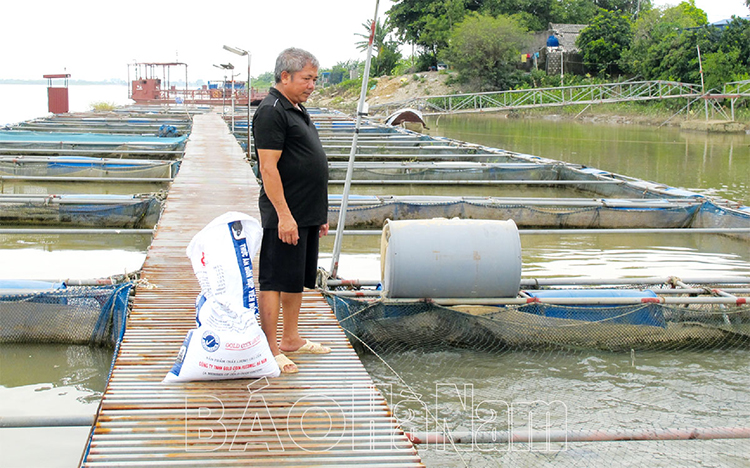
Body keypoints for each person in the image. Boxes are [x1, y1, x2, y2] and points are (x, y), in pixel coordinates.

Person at [252, 47, 331, 374]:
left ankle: (291, 338)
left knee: (296, 278)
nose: (312, 85)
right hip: (285, 214)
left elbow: (307, 161)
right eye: (306, 78)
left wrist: (318, 214)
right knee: (274, 279)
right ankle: (270, 348)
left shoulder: (295, 108)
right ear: (285, 76)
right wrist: (284, 215)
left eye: (314, 79)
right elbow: (269, 168)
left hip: (306, 213)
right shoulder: (271, 111)